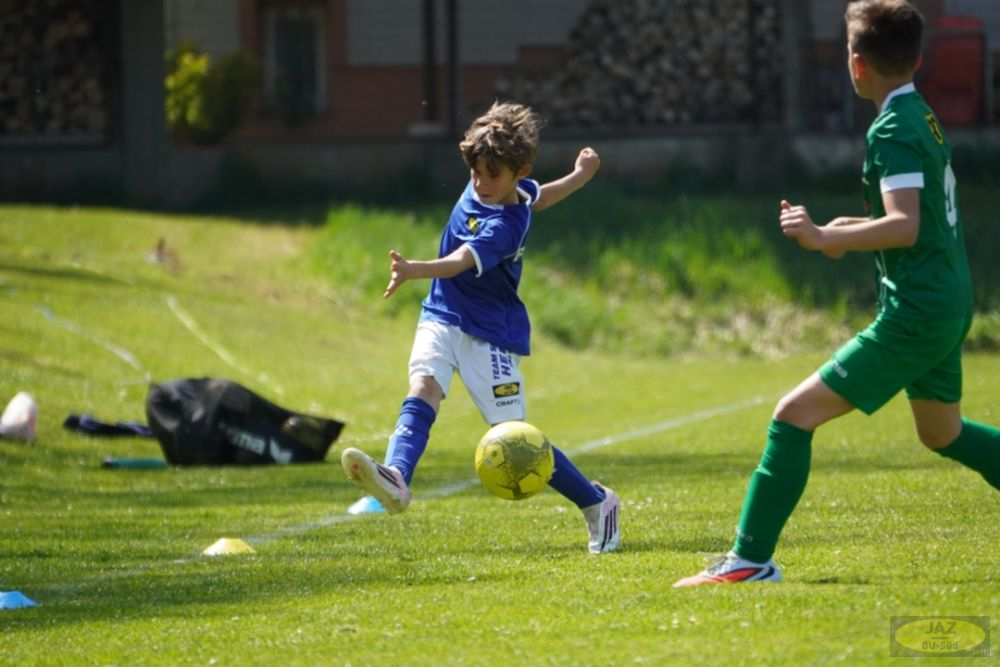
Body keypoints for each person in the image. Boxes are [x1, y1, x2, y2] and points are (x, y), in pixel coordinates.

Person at [675, 0, 1000, 586]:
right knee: (942, 432)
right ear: (918, 60)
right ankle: (748, 562)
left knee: (792, 416)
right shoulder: (919, 115)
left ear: (856, 64)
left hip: (917, 312)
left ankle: (748, 562)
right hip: (947, 299)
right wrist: (843, 232)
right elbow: (917, 218)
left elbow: (905, 225)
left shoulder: (893, 129)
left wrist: (828, 237)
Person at [340, 101, 621, 554]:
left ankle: (596, 502)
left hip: (488, 334)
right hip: (441, 314)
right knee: (424, 387)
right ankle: (397, 477)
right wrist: (579, 175)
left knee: (516, 440)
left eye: (491, 175)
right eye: (474, 171)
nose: (479, 183)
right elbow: (541, 196)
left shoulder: (506, 225)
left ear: (518, 171)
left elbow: (458, 261)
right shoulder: (506, 186)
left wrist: (415, 270)